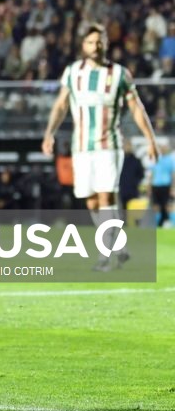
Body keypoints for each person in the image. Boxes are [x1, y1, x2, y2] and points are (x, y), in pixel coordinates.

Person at [41, 21, 159, 271]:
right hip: (82, 147)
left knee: (106, 196)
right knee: (92, 201)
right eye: (90, 42)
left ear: (106, 43)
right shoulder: (73, 72)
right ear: (83, 45)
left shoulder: (119, 74)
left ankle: (104, 256)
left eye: (99, 41)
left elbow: (136, 108)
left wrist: (150, 139)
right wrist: (49, 133)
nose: (95, 46)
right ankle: (120, 248)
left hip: (109, 145)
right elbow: (61, 105)